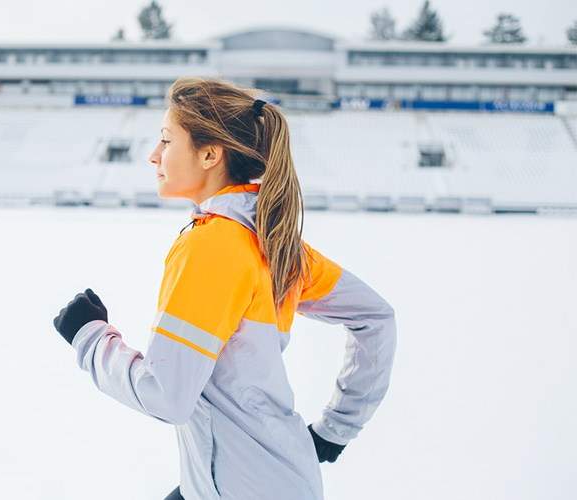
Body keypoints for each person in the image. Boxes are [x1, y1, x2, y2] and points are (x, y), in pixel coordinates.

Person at [52, 77, 398, 500]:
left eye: (166, 140)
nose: (153, 155)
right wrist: (336, 429)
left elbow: (167, 396)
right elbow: (375, 317)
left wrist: (90, 337)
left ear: (210, 154)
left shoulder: (212, 246)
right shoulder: (272, 240)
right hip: (274, 478)